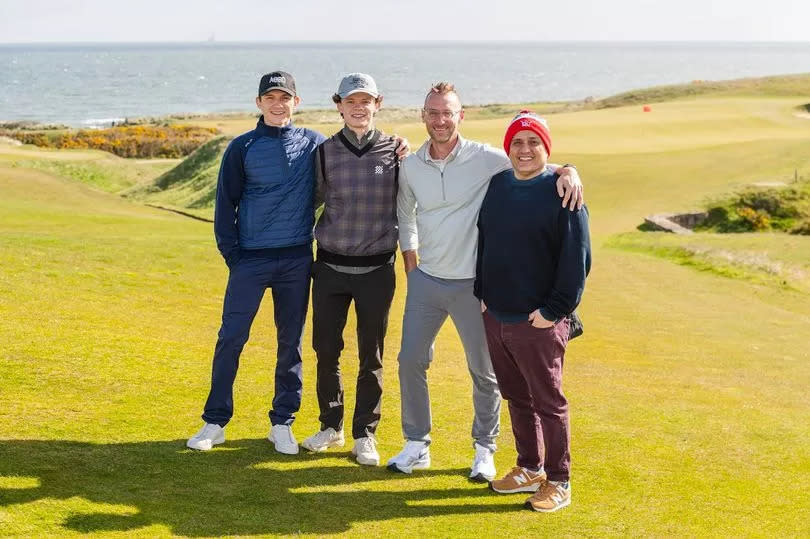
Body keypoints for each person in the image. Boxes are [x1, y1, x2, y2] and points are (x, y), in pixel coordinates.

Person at [390, 83, 584, 482]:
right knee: (410, 361)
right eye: (433, 113)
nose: (441, 120)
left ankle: (485, 449)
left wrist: (569, 170)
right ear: (423, 116)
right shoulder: (409, 165)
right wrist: (411, 264)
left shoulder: (488, 160)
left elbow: (532, 163)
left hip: (473, 287)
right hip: (427, 279)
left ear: (462, 116)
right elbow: (405, 215)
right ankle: (417, 443)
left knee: (485, 372)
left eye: (448, 113)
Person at [187, 71, 325, 454]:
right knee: (231, 338)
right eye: (271, 98)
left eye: (285, 98)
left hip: (297, 257)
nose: (278, 104)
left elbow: (349, 161)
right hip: (250, 258)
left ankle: (282, 423)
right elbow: (224, 203)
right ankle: (214, 422)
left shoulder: (315, 143)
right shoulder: (242, 147)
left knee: (290, 343)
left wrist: (396, 145)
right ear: (259, 102)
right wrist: (233, 254)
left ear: (296, 103)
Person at [477, 111, 591, 512]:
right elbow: (486, 242)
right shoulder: (497, 185)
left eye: (533, 143)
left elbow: (577, 261)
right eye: (517, 143)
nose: (524, 150)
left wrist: (553, 311)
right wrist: (483, 295)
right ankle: (529, 467)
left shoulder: (563, 192)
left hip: (539, 320)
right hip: (497, 315)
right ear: (507, 148)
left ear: (547, 148)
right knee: (516, 396)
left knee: (548, 401)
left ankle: (559, 480)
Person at [300, 73, 402, 466]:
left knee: (371, 356)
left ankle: (365, 434)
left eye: (366, 101)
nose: (359, 108)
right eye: (351, 101)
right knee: (326, 350)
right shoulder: (324, 153)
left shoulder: (395, 151)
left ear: (378, 104)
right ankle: (331, 426)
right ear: (338, 105)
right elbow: (310, 202)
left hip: (377, 270)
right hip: (330, 269)